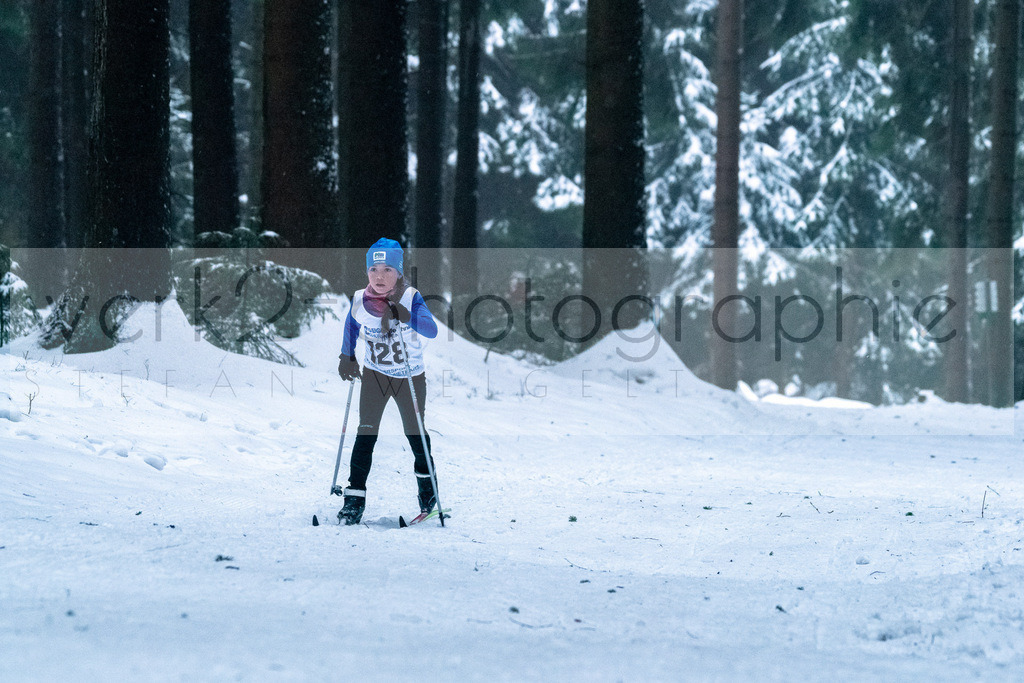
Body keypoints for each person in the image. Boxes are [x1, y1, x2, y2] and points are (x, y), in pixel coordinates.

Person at [336, 238, 439, 525]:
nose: (379, 276)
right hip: (375, 376)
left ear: (399, 272)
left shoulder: (410, 297)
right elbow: (351, 326)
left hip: (409, 378)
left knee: (415, 434)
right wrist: (347, 356)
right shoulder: (360, 299)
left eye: (387, 270)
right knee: (365, 434)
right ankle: (353, 501)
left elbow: (431, 330)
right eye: (374, 269)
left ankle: (429, 496)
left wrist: (406, 316)